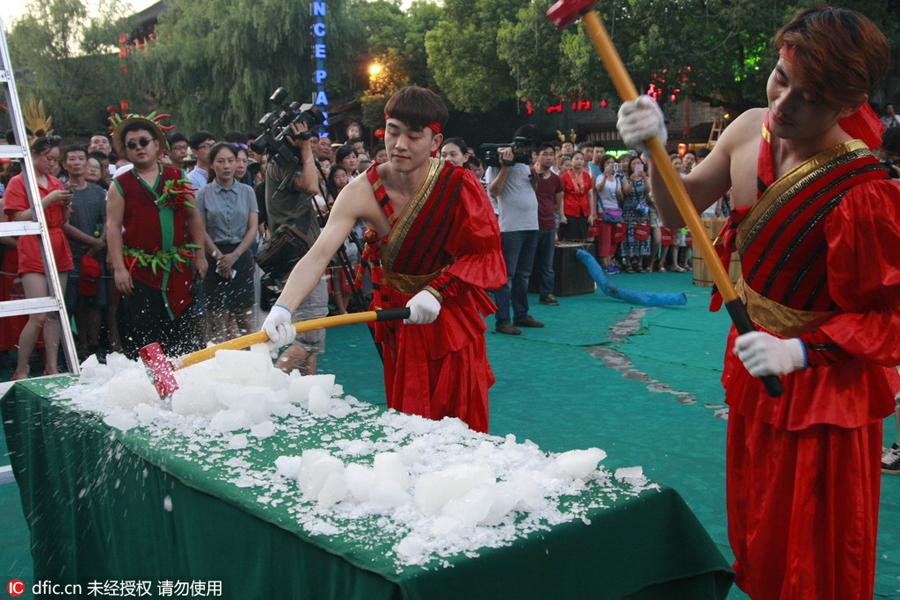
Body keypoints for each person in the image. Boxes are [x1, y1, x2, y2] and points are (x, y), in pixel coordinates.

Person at [618, 7, 900, 598]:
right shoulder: (748, 128)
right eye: (780, 78)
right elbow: (679, 213)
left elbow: (889, 318)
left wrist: (800, 351)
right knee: (759, 535)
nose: (782, 104)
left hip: (825, 390)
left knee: (817, 556)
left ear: (849, 104)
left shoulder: (867, 190)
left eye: (809, 98)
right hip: (752, 367)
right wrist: (653, 150)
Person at [262, 86, 505, 433]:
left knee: (460, 420)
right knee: (410, 417)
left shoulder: (459, 184)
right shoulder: (361, 190)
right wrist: (283, 308)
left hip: (451, 310)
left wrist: (436, 292)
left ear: (435, 142)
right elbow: (318, 255)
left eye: (414, 135)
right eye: (393, 131)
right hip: (397, 318)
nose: (400, 144)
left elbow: (486, 255)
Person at [106, 116, 208, 359]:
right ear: (125, 152)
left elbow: (194, 218)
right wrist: (119, 269)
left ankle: (183, 390)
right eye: (131, 144)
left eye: (143, 141)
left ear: (156, 145)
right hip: (139, 273)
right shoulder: (120, 184)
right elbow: (112, 227)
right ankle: (151, 390)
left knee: (180, 337)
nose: (139, 147)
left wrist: (201, 255)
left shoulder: (177, 176)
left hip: (177, 270)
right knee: (144, 338)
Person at [4, 134, 74, 379]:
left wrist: (64, 203)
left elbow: (64, 221)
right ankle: (21, 368)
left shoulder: (56, 182)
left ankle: (52, 365)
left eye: (56, 159)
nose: (53, 164)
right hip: (32, 243)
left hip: (57, 243)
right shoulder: (18, 181)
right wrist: (47, 200)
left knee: (55, 311)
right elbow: (18, 217)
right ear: (33, 155)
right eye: (48, 158)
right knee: (38, 314)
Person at [264, 120, 328, 375]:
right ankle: (268, 388)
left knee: (310, 336)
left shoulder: (285, 166)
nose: (308, 142)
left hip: (302, 256)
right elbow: (313, 186)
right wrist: (306, 150)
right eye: (303, 138)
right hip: (299, 261)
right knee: (308, 339)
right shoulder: (280, 167)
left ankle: (307, 388)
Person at [196, 142, 258, 344]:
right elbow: (201, 230)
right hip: (214, 257)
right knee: (216, 321)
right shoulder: (204, 193)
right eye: (221, 161)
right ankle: (219, 367)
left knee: (245, 320)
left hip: (241, 255)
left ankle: (254, 364)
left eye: (231, 161)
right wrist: (219, 258)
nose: (227, 166)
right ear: (212, 165)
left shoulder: (248, 191)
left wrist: (234, 257)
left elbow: (252, 229)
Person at [487, 125, 544, 336]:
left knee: (523, 275)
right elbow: (493, 191)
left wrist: (535, 179)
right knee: (507, 276)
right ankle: (503, 320)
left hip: (531, 224)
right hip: (511, 227)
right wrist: (505, 166)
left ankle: (522, 314)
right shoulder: (499, 161)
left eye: (531, 148)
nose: (528, 151)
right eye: (526, 146)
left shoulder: (525, 164)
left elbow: (530, 190)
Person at [60, 145, 108, 360]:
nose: (77, 162)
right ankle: (75, 345)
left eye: (81, 158)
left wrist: (100, 242)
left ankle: (94, 345)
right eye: (72, 159)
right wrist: (92, 241)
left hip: (96, 255)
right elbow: (63, 224)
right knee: (72, 302)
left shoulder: (98, 191)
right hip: (72, 254)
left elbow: (109, 220)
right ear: (65, 164)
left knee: (96, 302)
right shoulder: (62, 192)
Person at [532, 142, 564, 305]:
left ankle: (547, 294)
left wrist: (548, 213)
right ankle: (519, 294)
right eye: (545, 153)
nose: (549, 157)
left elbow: (557, 203)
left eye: (551, 154)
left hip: (549, 224)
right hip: (530, 225)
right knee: (525, 263)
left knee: (547, 264)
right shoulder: (528, 174)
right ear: (536, 156)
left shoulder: (556, 179)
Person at [559, 150, 596, 241]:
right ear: (571, 161)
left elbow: (590, 195)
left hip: (584, 211)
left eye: (581, 159)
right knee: (571, 238)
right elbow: (561, 197)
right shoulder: (564, 177)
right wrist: (562, 215)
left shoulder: (587, 176)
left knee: (583, 237)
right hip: (570, 211)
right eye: (576, 159)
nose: (579, 161)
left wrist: (591, 214)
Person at [594, 154, 622, 274]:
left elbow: (620, 197)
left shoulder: (617, 179)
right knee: (604, 238)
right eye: (607, 163)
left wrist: (619, 193)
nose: (610, 166)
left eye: (612, 163)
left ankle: (610, 261)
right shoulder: (600, 177)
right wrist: (605, 176)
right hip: (603, 211)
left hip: (615, 211)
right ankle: (604, 263)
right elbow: (599, 189)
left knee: (613, 238)